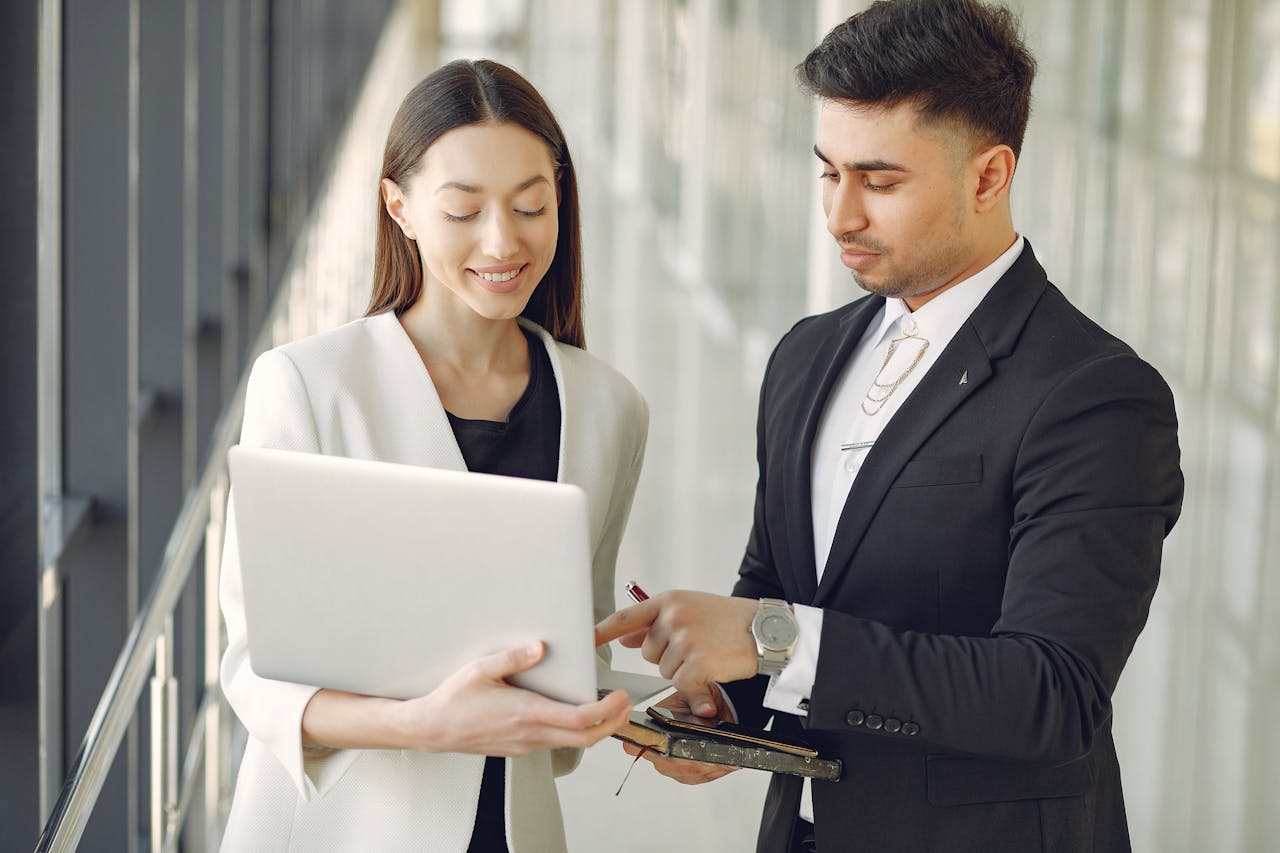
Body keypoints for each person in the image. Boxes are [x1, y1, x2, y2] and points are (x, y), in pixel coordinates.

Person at [595, 1, 1183, 851]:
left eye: (880, 180)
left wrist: (775, 640)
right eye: (827, 172)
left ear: (989, 176)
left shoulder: (1094, 395)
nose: (839, 215)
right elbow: (780, 587)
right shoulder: (806, 355)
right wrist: (729, 706)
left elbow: (1052, 693)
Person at [219, 59, 647, 853]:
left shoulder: (609, 408)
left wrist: (651, 704)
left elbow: (567, 647)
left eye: (530, 207)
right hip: (338, 830)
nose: (502, 241)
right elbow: (254, 669)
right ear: (400, 207)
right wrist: (421, 726)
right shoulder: (306, 386)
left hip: (511, 831)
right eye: (463, 210)